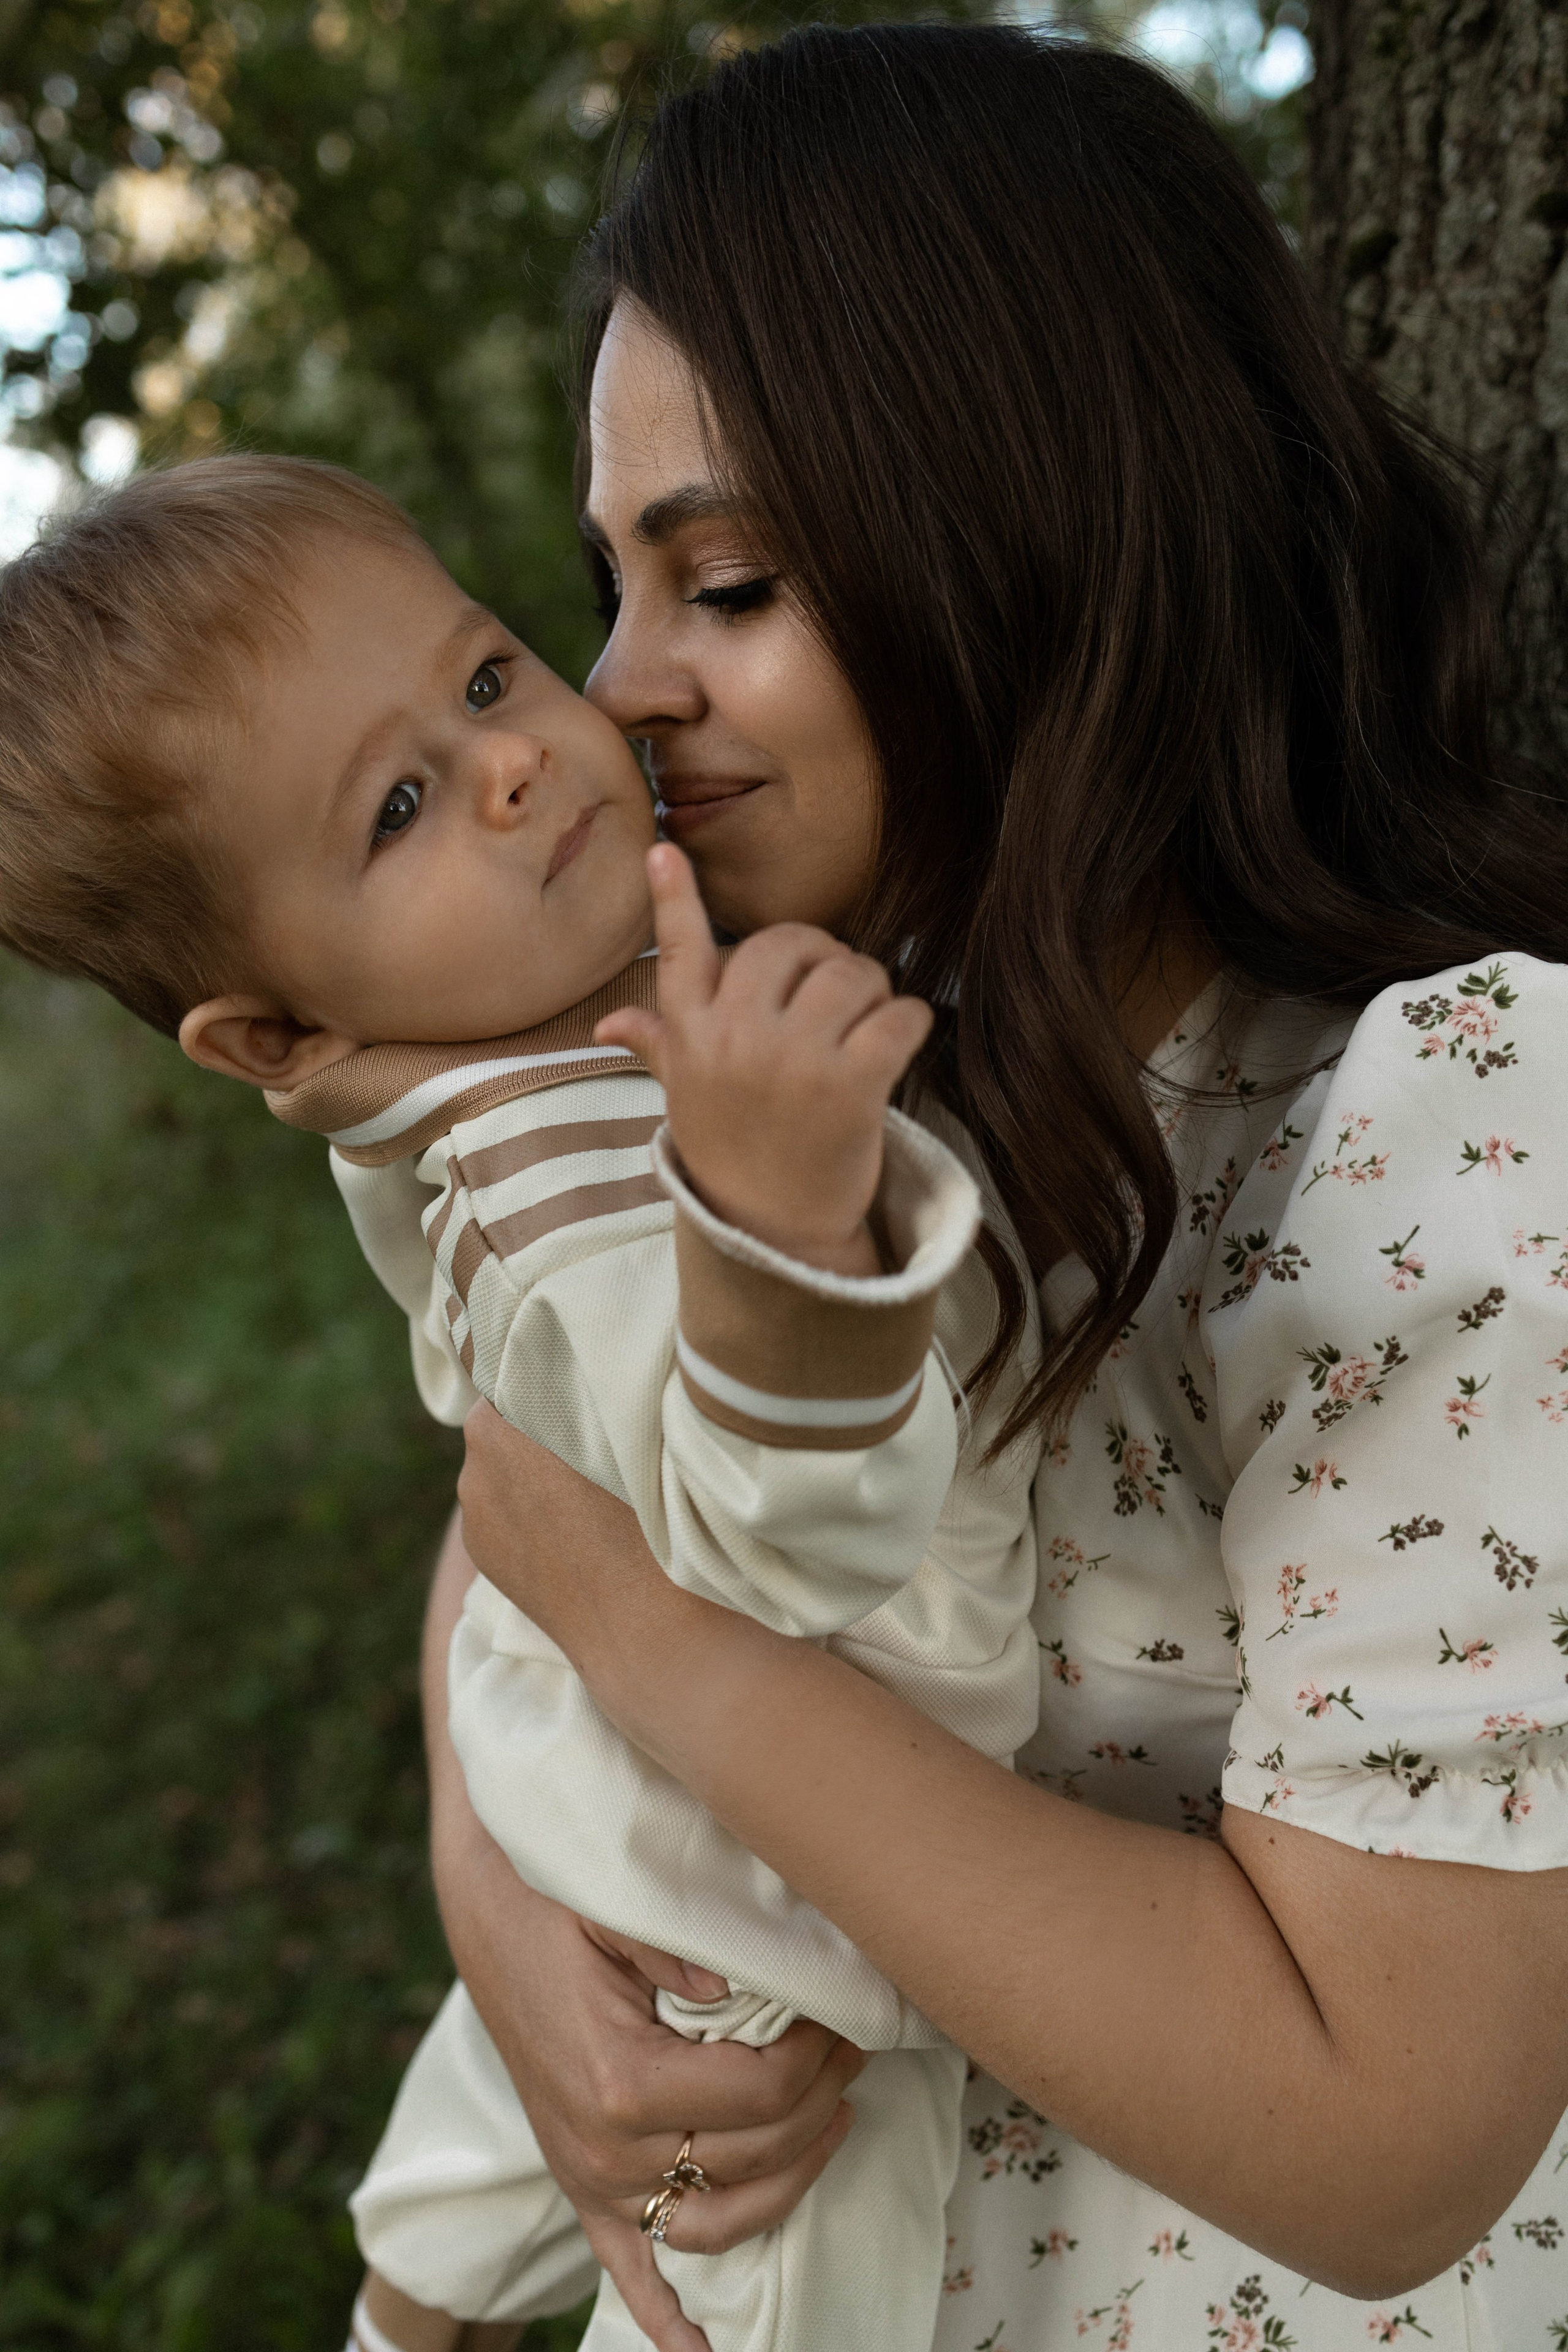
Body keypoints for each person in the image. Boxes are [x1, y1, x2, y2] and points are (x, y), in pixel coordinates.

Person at [435, 23, 1568, 2352]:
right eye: (610, 586)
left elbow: (1391, 2143)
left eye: (724, 581)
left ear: (1033, 523)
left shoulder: (1452, 1126)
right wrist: (505, 1916)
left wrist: (660, 1649)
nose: (615, 685)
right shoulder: (835, 1056)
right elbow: (548, 1477)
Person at [0, 452, 1044, 2352]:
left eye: (484, 679)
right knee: (769, 2284)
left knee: (475, 2156)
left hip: (583, 1762)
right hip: (738, 1931)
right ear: (282, 1035)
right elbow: (785, 1542)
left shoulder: (517, 1017)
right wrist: (781, 1229)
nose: (509, 764)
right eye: (397, 808)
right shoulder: (553, 1183)